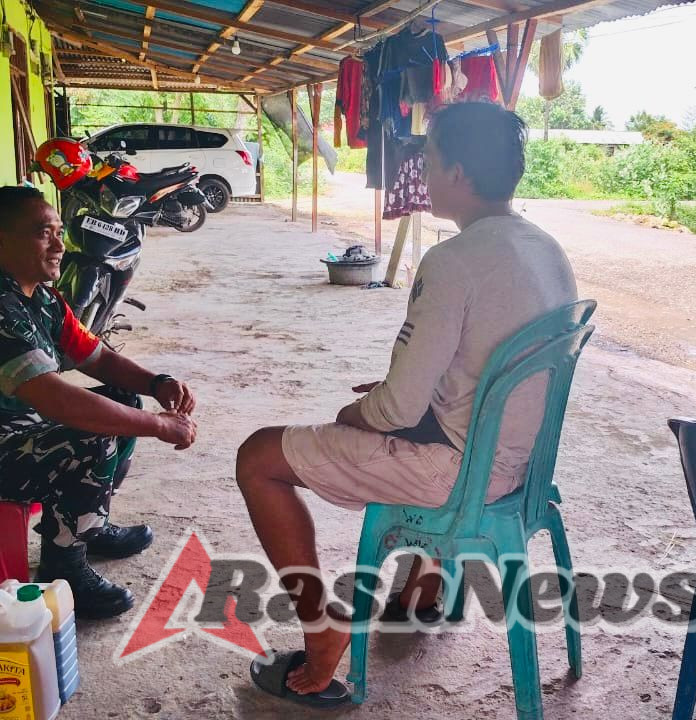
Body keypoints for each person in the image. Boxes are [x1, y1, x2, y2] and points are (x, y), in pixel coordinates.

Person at [235, 102, 577, 708]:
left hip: (463, 473)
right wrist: (406, 403)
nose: (422, 166)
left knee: (259, 455)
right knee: (427, 412)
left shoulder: (453, 261)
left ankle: (323, 633)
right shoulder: (547, 248)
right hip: (525, 465)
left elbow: (395, 409)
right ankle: (423, 587)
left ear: (461, 174)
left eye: (432, 156)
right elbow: (479, 371)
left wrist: (355, 417)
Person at [0, 186, 198, 619]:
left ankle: (89, 525)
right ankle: (65, 566)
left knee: (122, 398)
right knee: (93, 436)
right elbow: (59, 401)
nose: (58, 243)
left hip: (14, 431)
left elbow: (97, 357)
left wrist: (156, 382)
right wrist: (159, 425)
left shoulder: (41, 297)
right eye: (41, 233)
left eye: (58, 231)